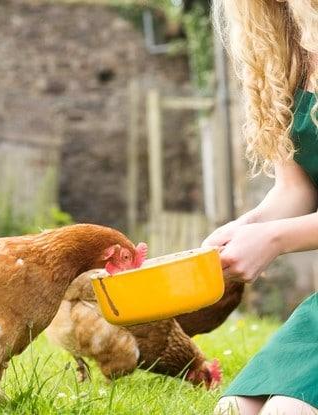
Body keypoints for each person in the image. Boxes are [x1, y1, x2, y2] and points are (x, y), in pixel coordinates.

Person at [205, 1, 318, 414]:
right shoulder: (287, 51)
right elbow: (295, 186)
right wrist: (247, 226)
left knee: (289, 411)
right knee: (234, 408)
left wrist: (273, 239)